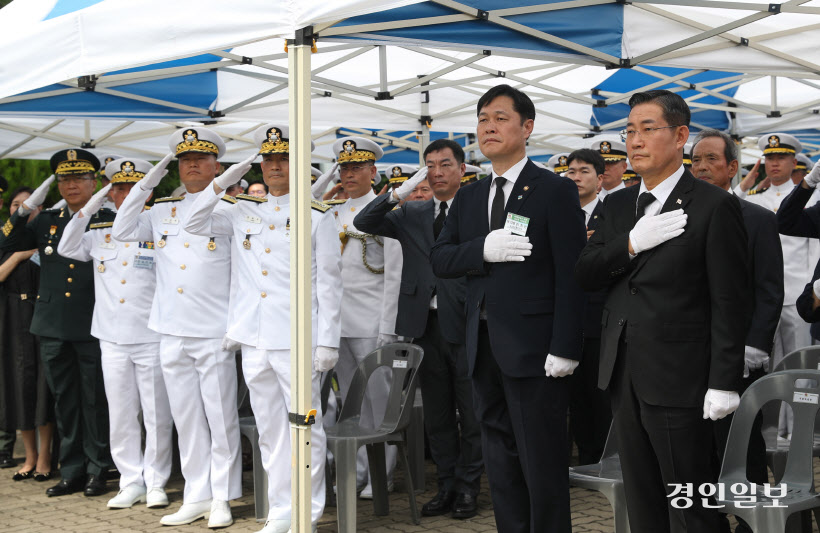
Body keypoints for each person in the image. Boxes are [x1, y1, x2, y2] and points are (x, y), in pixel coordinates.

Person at [575, 90, 749, 533]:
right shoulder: (616, 204)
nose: (634, 140)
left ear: (680, 136)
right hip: (624, 372)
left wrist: (724, 382)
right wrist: (632, 242)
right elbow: (587, 272)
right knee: (643, 499)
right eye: (629, 130)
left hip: (681, 377)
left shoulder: (714, 206)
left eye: (648, 129)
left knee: (691, 503)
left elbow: (729, 299)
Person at [430, 84, 586, 533]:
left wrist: (565, 346)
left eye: (500, 118)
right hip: (483, 347)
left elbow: (571, 273)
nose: (489, 127)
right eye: (482, 119)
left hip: (537, 351)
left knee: (541, 462)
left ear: (527, 127)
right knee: (499, 462)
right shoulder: (471, 195)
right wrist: (482, 248)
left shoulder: (553, 189)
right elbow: (440, 258)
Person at [185, 124, 342, 533]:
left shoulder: (315, 215)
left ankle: (307, 511)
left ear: (300, 164)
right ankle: (281, 509)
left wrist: (327, 339)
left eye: (284, 158)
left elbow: (328, 281)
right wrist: (224, 178)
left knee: (305, 427)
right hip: (253, 338)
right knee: (271, 431)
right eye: (268, 159)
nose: (275, 166)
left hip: (297, 338)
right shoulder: (241, 210)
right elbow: (193, 221)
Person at [112, 128, 245, 528]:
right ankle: (196, 494)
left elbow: (243, 275)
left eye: (200, 159)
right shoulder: (161, 210)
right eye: (184, 159)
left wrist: (234, 326)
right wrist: (147, 182)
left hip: (212, 329)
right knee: (186, 419)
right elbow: (120, 230)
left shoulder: (233, 210)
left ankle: (222, 496)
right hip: (169, 329)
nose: (191, 165)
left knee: (221, 419)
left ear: (216, 166)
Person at [355, 138, 484, 520]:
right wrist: (400, 191)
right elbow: (364, 222)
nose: (438, 172)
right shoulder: (412, 213)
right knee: (439, 414)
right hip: (423, 325)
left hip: (465, 321)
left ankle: (468, 488)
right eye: (430, 165)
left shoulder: (477, 210)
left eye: (446, 164)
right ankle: (445, 485)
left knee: (471, 412)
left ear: (462, 169)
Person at [58, 158, 174, 510]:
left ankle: (156, 481)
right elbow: (65, 247)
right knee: (121, 414)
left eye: (131, 187)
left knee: (156, 414)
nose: (124, 194)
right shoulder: (98, 229)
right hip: (111, 335)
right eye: (118, 187)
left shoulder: (159, 224)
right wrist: (89, 207)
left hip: (150, 333)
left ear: (146, 190)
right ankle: (130, 480)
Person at [0, 148, 115, 498]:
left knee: (94, 400)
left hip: (92, 322)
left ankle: (98, 469)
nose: (71, 185)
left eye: (79, 178)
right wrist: (26, 207)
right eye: (64, 179)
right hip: (51, 323)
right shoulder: (46, 218)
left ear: (94, 182)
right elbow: (9, 237)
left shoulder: (106, 216)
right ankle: (72, 470)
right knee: (64, 400)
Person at [691, 129, 784, 533]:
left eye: (712, 159)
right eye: (695, 160)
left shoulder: (757, 219)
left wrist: (754, 346)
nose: (701, 167)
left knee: (743, 442)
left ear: (732, 167)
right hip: (688, 354)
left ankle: (752, 521)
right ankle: (709, 519)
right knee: (698, 448)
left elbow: (769, 289)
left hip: (740, 356)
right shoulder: (675, 218)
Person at [329, 136, 402, 497]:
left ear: (374, 171)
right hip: (337, 323)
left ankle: (381, 474)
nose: (350, 173)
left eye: (358, 167)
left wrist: (388, 327)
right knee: (350, 406)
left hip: (372, 322)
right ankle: (358, 471)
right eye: (345, 167)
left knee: (378, 402)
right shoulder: (331, 212)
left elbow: (394, 274)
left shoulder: (386, 209)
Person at [742, 133, 818, 438]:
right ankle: (767, 429)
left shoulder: (808, 199)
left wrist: (813, 291)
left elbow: (815, 252)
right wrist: (745, 186)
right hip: (763, 297)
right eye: (770, 158)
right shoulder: (754, 200)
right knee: (763, 367)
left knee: (800, 368)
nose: (775, 164)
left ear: (793, 162)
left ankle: (799, 430)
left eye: (781, 158)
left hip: (797, 293)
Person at [0, 185, 56, 483]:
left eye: (29, 205)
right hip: (12, 321)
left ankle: (46, 456)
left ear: (39, 210)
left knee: (43, 388)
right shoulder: (5, 241)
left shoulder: (48, 237)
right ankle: (30, 456)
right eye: (15, 205)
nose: (21, 209)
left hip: (43, 317)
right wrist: (19, 255)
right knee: (20, 386)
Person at [564, 149, 611, 466]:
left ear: (600, 178)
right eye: (571, 172)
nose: (576, 177)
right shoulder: (559, 213)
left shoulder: (612, 214)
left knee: (602, 395)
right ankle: (586, 456)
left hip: (601, 318)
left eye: (584, 171)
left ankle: (605, 458)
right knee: (575, 396)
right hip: (567, 320)